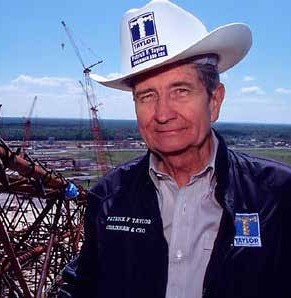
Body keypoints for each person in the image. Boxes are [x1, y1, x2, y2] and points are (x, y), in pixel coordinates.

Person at [59, 1, 291, 298]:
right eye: (147, 96)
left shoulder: (278, 196)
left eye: (180, 91)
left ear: (214, 100)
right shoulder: (106, 198)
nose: (162, 113)